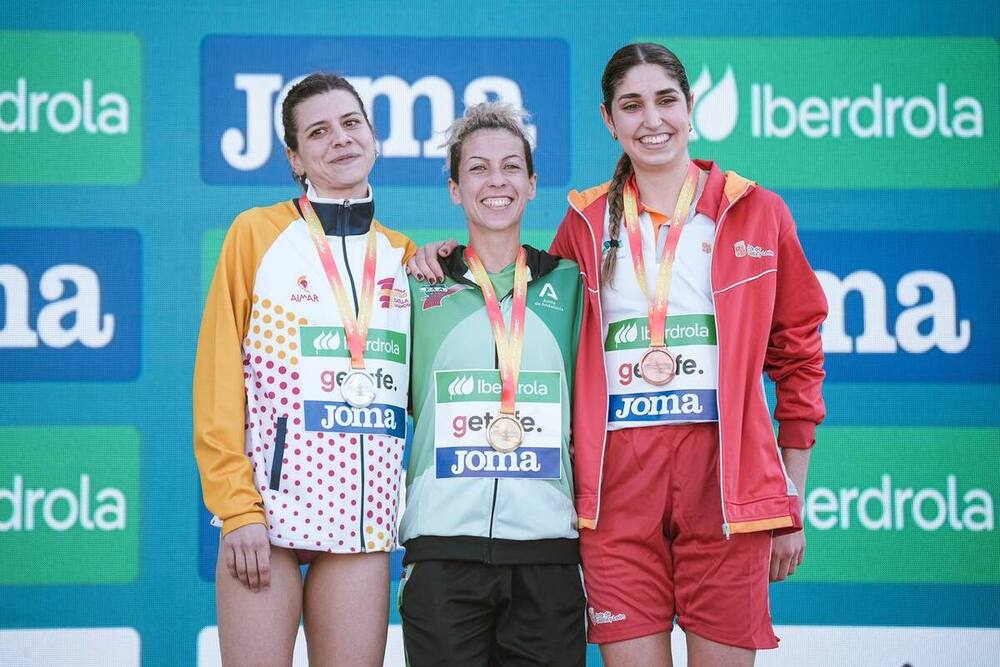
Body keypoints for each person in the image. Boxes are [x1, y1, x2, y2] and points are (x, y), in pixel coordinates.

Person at [407, 43, 827, 667]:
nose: (651, 119)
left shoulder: (756, 212)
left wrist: (787, 496)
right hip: (617, 495)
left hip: (725, 486)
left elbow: (798, 352)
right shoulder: (586, 222)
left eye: (666, 101)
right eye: (632, 106)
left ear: (691, 108)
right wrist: (444, 257)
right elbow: (519, 296)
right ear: (609, 120)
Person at [194, 72, 415, 666]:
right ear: (295, 157)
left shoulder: (405, 256)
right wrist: (237, 508)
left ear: (374, 138)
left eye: (351, 124)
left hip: (360, 525)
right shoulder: (257, 235)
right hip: (266, 517)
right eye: (318, 132)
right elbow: (218, 382)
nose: (339, 140)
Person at [398, 102, 586, 667]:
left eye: (510, 167)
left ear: (532, 183)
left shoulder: (574, 284)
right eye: (477, 168)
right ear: (455, 188)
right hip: (442, 551)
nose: (495, 181)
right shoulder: (417, 285)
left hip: (547, 553)